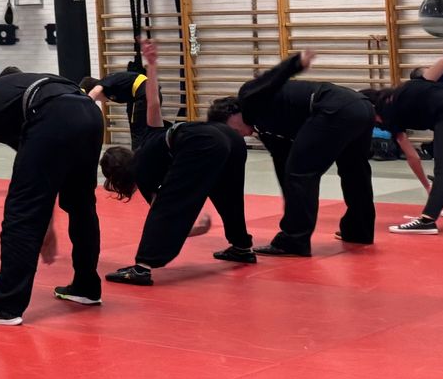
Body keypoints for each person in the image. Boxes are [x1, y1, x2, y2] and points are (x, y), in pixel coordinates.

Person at [0, 69, 104, 325]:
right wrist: (48, 227)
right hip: (88, 113)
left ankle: (4, 306)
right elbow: (43, 185)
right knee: (80, 205)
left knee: (19, 214)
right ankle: (86, 287)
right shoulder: (15, 122)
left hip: (57, 110)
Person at [97, 44, 257, 285]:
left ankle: (142, 267)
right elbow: (152, 102)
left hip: (200, 142)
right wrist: (151, 65)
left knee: (167, 206)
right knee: (229, 196)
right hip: (226, 137)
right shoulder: (145, 136)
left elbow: (166, 215)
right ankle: (242, 246)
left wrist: (193, 226)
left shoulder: (143, 174)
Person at [209, 49, 375, 256]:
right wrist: (290, 199)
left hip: (332, 109)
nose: (238, 136)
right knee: (354, 171)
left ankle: (293, 241)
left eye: (232, 130)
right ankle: (359, 230)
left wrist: (295, 63)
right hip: (360, 107)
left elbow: (271, 78)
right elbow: (282, 162)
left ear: (232, 113)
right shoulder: (267, 131)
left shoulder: (248, 98)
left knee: (302, 174)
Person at [366, 53, 443, 235]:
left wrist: (427, 187)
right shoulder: (408, 87)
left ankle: (427, 220)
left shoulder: (390, 118)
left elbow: (413, 157)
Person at [85, 59, 162, 153]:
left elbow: (95, 91)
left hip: (144, 92)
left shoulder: (105, 81)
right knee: (147, 126)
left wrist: (83, 107)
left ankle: (137, 160)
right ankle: (149, 154)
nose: (99, 100)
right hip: (149, 93)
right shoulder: (113, 92)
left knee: (137, 130)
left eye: (97, 98)